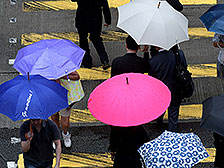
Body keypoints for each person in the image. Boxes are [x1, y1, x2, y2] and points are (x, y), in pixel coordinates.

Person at [148, 45, 187, 132]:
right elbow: (184, 68)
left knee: (160, 110)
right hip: (176, 89)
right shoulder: (178, 54)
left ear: (156, 47)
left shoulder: (153, 61)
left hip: (160, 92)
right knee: (173, 115)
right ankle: (172, 134)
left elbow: (151, 78)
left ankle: (159, 124)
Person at [71, 0, 111, 70]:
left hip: (82, 17)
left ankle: (87, 62)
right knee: (96, 39)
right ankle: (104, 60)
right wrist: (108, 20)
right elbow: (105, 4)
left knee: (83, 40)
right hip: (95, 18)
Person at [51, 71, 84, 148]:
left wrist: (61, 77)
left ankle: (65, 134)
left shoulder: (64, 65)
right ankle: (56, 137)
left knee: (65, 123)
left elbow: (77, 77)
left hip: (65, 97)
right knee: (54, 118)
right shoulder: (43, 68)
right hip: (51, 96)